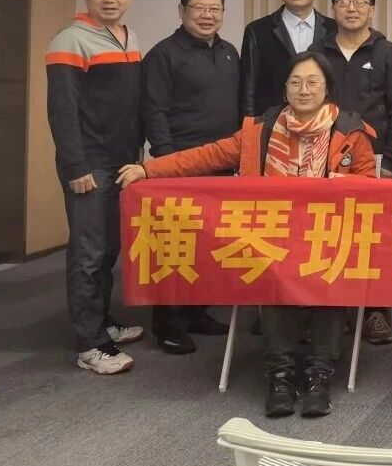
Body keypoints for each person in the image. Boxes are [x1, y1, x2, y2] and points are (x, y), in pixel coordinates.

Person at [117, 53, 377, 418]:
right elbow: (209, 156)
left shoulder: (350, 132)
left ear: (327, 88)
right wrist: (149, 169)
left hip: (327, 236)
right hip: (271, 236)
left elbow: (369, 188)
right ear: (284, 89)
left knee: (328, 275)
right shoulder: (259, 130)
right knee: (272, 274)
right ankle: (280, 376)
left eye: (312, 82)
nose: (303, 90)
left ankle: (319, 376)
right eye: (295, 82)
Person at [46, 0, 145, 374]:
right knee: (88, 252)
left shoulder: (128, 37)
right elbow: (62, 110)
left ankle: (102, 321)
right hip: (89, 163)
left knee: (108, 249)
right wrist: (76, 165)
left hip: (122, 161)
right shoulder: (70, 40)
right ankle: (89, 344)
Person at [141, 0, 239, 354]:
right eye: (199, 8)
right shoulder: (163, 55)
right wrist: (166, 162)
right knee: (174, 245)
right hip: (179, 163)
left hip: (221, 162)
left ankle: (197, 312)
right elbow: (153, 110)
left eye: (215, 9)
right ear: (182, 11)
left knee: (208, 243)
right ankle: (168, 323)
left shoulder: (229, 52)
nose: (207, 15)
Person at [318, 0, 392, 346]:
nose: (352, 8)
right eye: (344, 1)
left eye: (360, 2)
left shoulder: (387, 51)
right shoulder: (318, 51)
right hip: (328, 158)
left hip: (375, 158)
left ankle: (375, 310)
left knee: (376, 235)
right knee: (331, 233)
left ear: (372, 10)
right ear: (333, 9)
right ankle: (333, 310)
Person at [240, 0, 332, 118]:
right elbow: (248, 88)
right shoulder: (257, 30)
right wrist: (249, 125)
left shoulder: (334, 29)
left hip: (324, 122)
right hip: (272, 122)